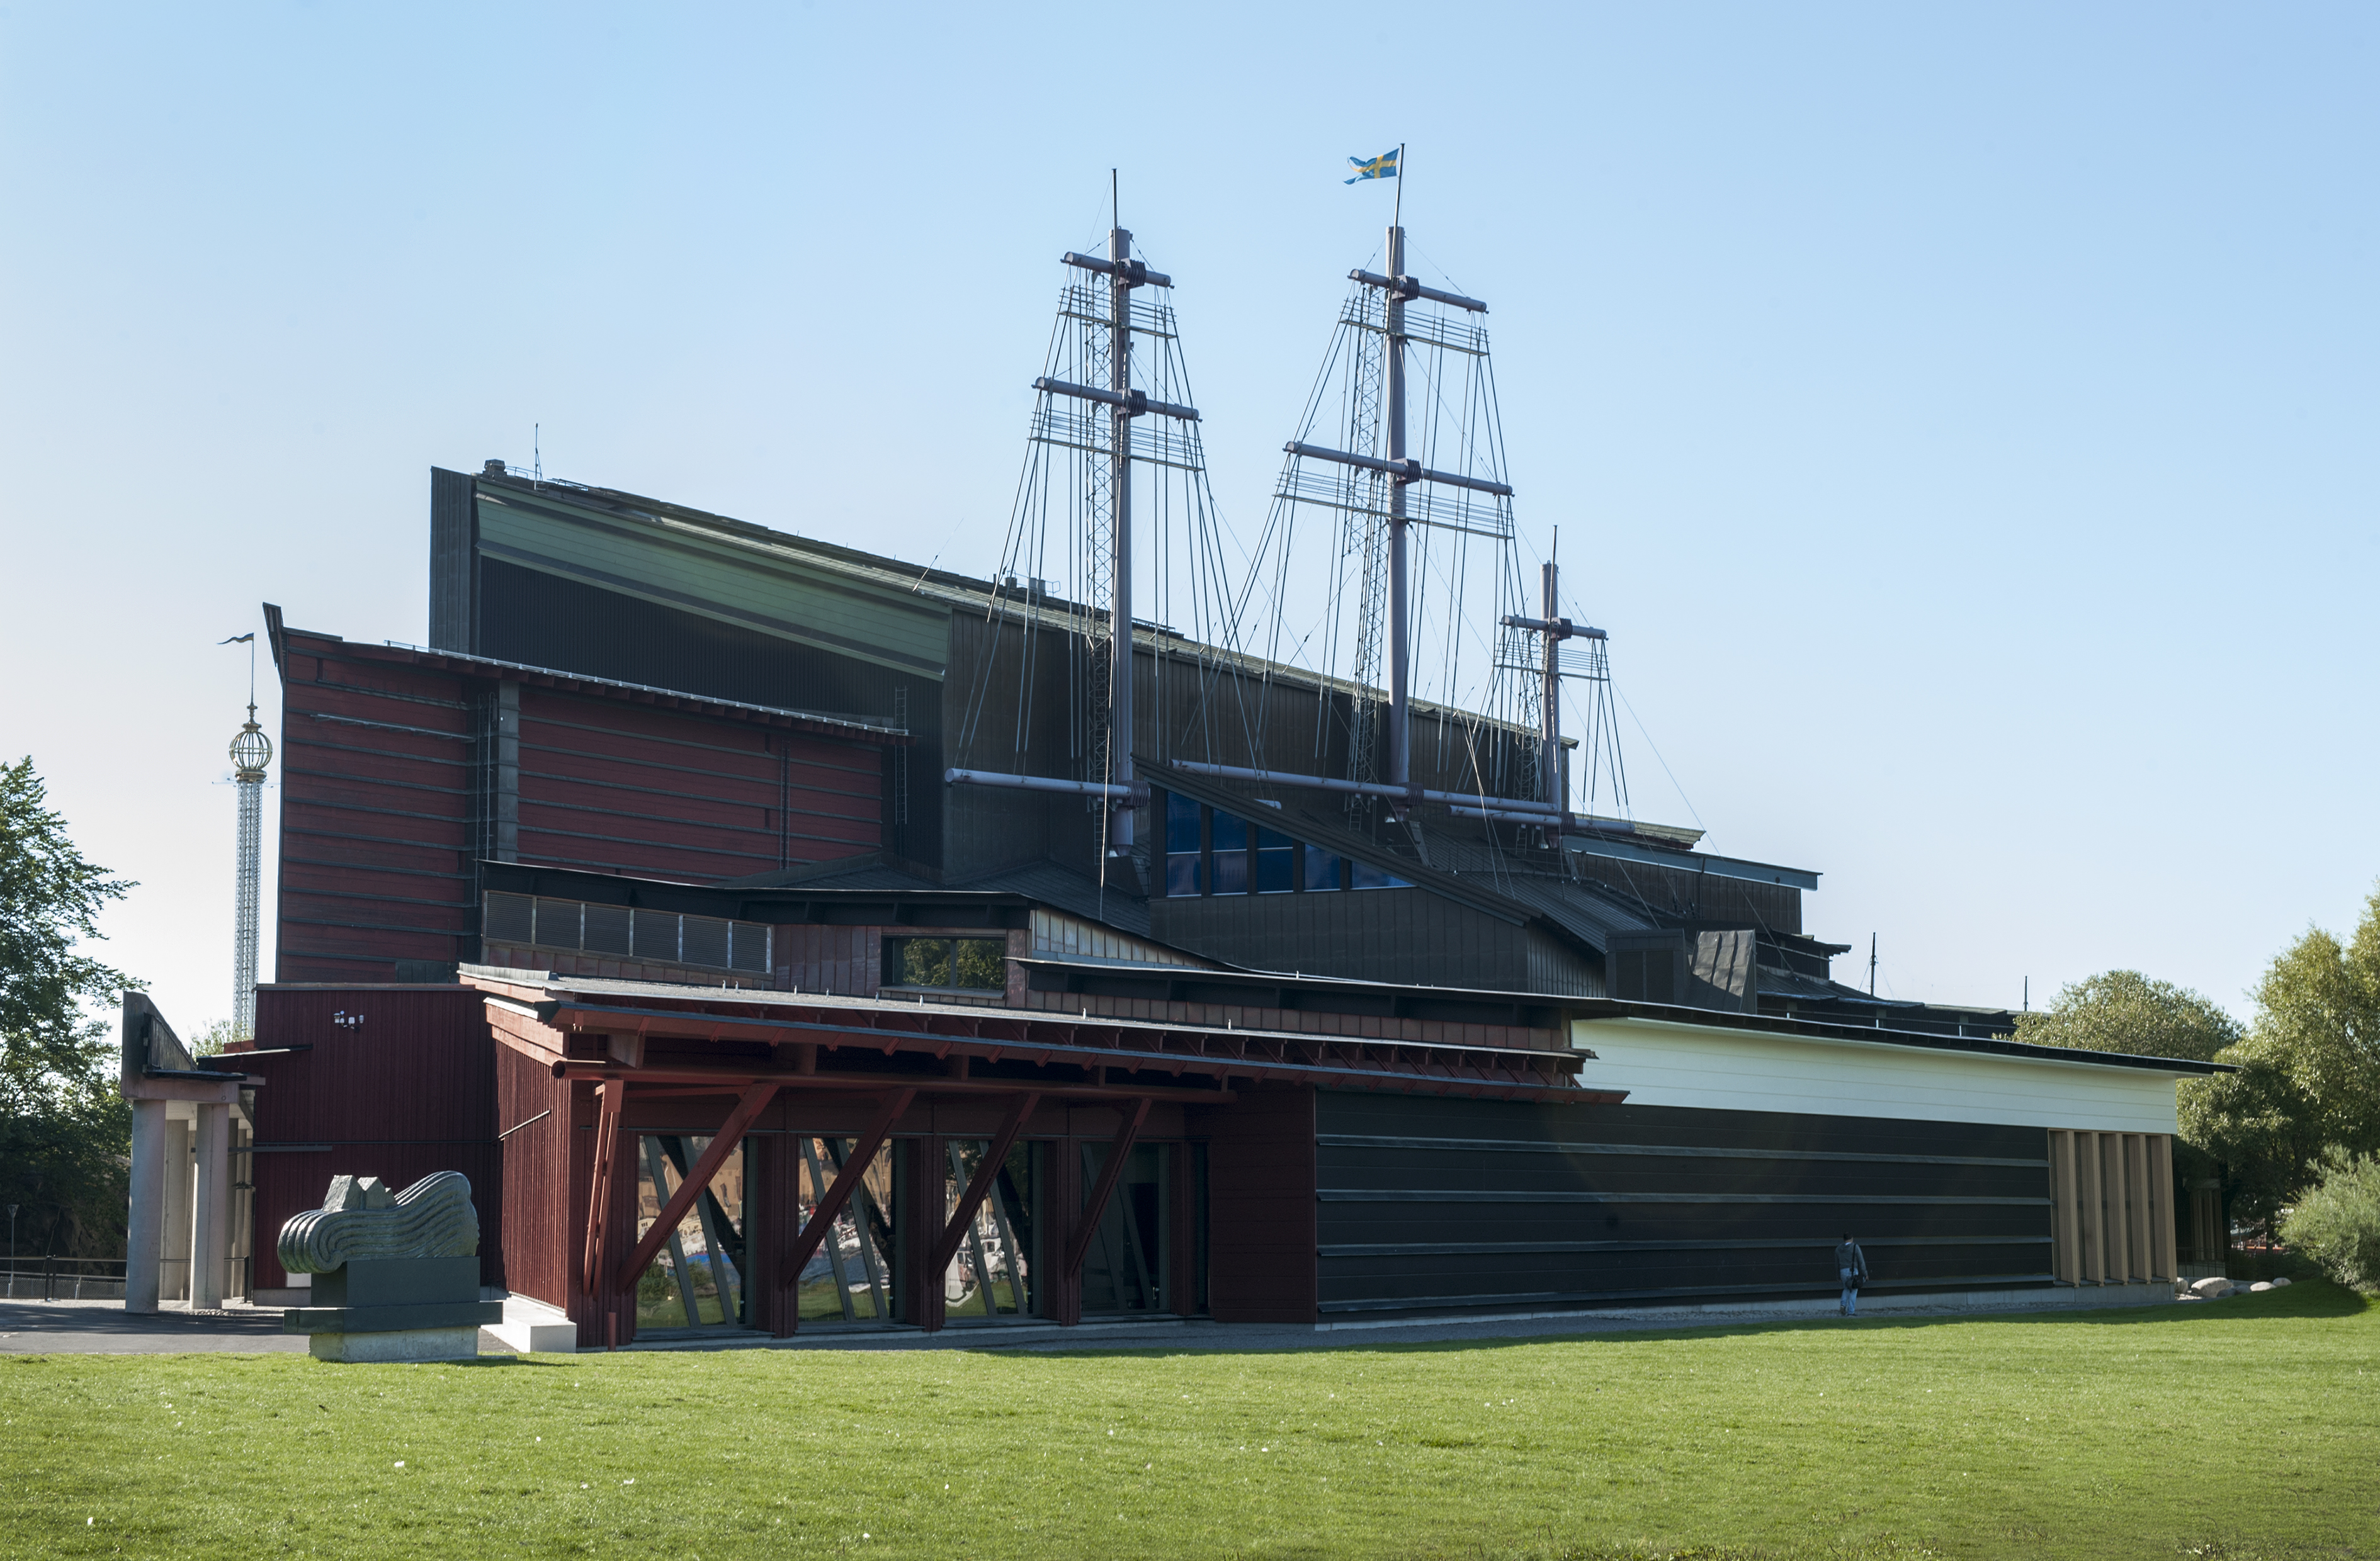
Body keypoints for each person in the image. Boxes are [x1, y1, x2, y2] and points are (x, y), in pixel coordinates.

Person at [1835, 1232, 1869, 1317]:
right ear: (1852, 1239)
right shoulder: (1855, 1247)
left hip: (1843, 1271)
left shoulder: (1838, 1249)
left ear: (1844, 1239)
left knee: (1846, 1288)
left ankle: (1843, 1305)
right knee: (1854, 1291)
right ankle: (1851, 1312)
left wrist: (1838, 1276)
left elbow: (1837, 1263)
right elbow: (1861, 1261)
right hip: (1853, 1272)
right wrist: (1865, 1274)